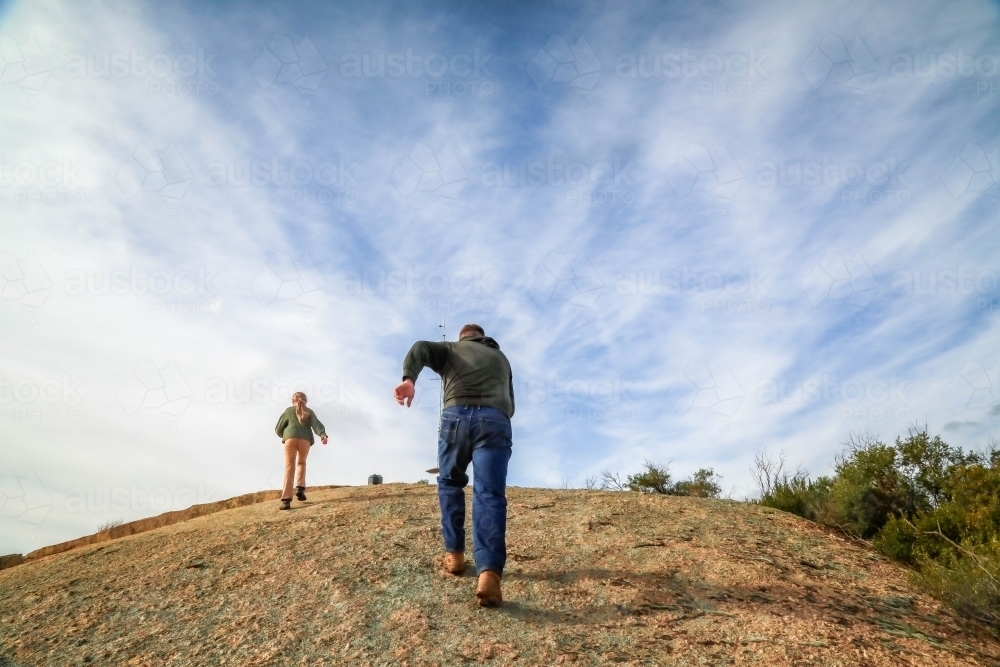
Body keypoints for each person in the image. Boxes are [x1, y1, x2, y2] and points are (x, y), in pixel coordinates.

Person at [393, 323, 514, 608]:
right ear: (482, 337)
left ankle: (455, 555)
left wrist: (409, 379)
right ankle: (489, 572)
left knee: (449, 482)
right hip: (495, 420)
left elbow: (420, 347)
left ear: (462, 337)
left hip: (455, 417)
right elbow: (511, 400)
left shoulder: (450, 349)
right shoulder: (501, 357)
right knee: (489, 494)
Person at [274, 392, 328, 510]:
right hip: (305, 440)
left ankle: (286, 500)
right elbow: (316, 425)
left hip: (290, 439)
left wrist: (286, 434)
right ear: (306, 401)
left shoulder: (288, 411)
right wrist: (322, 435)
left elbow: (278, 429)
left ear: (292, 400)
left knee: (289, 468)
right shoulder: (309, 412)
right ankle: (300, 488)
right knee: (301, 463)